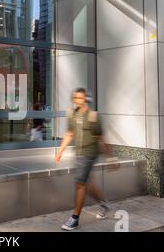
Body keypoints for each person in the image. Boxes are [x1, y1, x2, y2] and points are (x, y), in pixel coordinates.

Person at [55, 88, 111, 231]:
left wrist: (111, 157)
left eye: (80, 98)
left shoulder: (93, 116)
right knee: (87, 183)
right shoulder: (71, 115)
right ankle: (104, 204)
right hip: (79, 153)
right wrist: (60, 151)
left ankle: (75, 219)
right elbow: (69, 134)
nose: (77, 100)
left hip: (90, 153)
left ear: (85, 99)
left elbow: (100, 138)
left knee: (80, 184)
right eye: (75, 98)